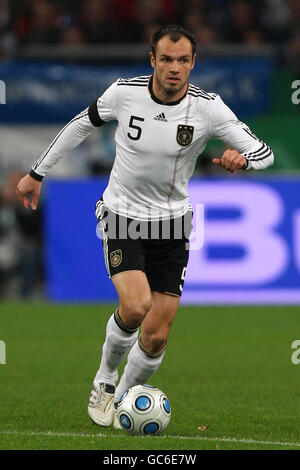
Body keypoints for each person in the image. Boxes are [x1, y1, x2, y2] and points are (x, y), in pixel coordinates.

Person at [16, 24, 274, 429]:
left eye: (183, 60)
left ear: (193, 63)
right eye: (166, 59)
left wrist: (245, 161)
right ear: (152, 59)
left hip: (172, 223)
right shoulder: (124, 93)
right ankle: (104, 381)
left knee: (156, 335)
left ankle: (122, 402)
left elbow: (264, 153)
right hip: (123, 214)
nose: (174, 68)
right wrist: (37, 173)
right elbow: (81, 124)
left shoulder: (209, 108)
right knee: (136, 306)